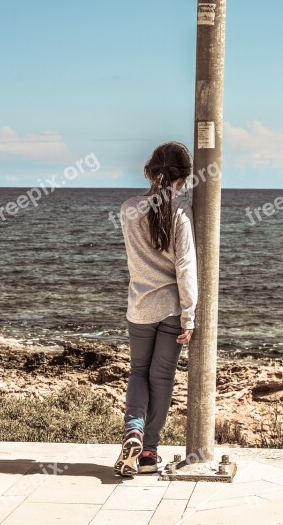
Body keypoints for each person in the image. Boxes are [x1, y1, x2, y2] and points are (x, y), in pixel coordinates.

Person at [113, 141, 198, 476]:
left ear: (150, 171)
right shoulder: (181, 212)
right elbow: (186, 266)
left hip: (140, 306)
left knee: (138, 372)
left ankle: (132, 429)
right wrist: (189, 315)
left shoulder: (128, 209)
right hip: (172, 310)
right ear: (185, 177)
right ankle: (148, 453)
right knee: (161, 378)